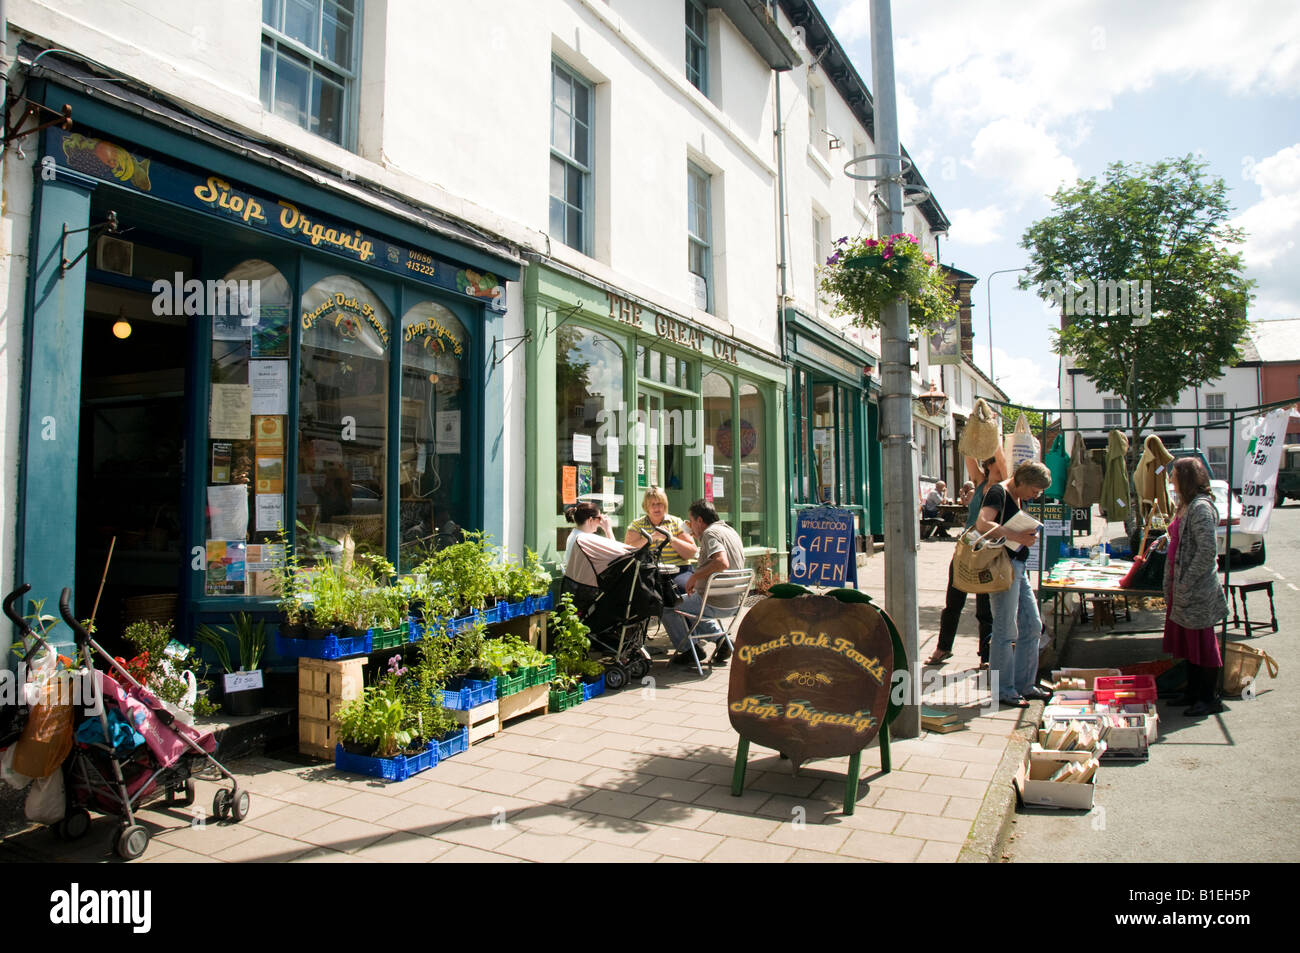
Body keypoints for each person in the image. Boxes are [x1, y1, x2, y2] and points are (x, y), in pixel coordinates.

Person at [977, 460, 1053, 708]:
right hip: (1003, 568)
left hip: (1017, 567)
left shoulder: (1019, 495)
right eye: (1034, 490)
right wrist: (1017, 535)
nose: (1036, 495)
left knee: (1032, 625)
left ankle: (1024, 685)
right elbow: (982, 524)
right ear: (1021, 481)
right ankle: (1004, 690)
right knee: (1005, 628)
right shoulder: (999, 492)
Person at [1160, 457, 1228, 716]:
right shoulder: (1185, 505)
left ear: (1185, 478)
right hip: (1184, 587)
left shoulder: (1200, 508)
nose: (1171, 481)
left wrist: (1186, 581)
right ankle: (1192, 692)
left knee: (1202, 642)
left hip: (1197, 589)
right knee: (1189, 642)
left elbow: (1207, 550)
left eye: (1174, 476)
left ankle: (1208, 697)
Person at [927, 451, 1006, 666]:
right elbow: (969, 455)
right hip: (966, 549)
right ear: (989, 466)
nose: (1002, 465)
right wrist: (976, 425)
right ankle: (943, 648)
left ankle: (986, 655)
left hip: (988, 552)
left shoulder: (1005, 487)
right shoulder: (980, 483)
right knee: (953, 602)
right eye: (998, 462)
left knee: (984, 608)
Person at [660, 499, 745, 667]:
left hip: (714, 602)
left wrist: (695, 576)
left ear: (699, 520)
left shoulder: (710, 533)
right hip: (733, 601)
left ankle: (689, 651)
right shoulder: (729, 530)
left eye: (691, 521)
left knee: (667, 607)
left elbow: (722, 562)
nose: (689, 526)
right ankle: (721, 640)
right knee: (691, 605)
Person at [625, 486, 697, 592]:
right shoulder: (636, 524)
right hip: (647, 571)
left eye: (660, 504)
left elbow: (692, 552)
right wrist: (652, 537)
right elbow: (628, 551)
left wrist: (671, 538)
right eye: (652, 504)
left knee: (681, 588)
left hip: (679, 570)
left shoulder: (679, 522)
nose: (656, 508)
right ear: (646, 506)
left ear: (665, 505)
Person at [562, 501, 617, 570]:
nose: (600, 521)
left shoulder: (574, 534)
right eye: (599, 518)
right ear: (590, 520)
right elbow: (616, 554)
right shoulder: (586, 539)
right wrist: (608, 529)